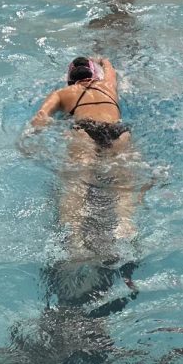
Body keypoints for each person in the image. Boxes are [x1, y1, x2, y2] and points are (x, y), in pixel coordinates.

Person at [24, 56, 142, 244]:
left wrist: (29, 136)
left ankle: (75, 237)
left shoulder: (63, 93)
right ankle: (125, 226)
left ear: (70, 78)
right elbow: (110, 67)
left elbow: (41, 117)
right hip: (119, 131)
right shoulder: (108, 85)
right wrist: (102, 59)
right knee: (124, 182)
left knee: (76, 184)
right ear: (93, 74)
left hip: (84, 131)